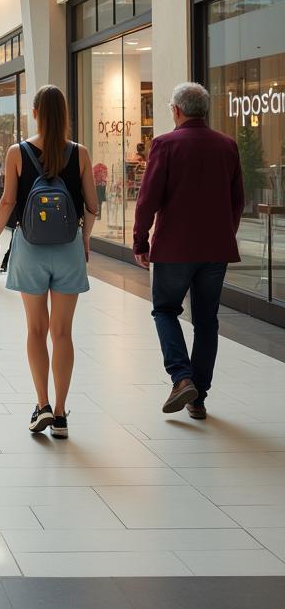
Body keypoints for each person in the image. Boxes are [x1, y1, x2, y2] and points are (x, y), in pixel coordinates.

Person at [0, 85, 99, 439]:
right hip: (68, 249)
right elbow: (92, 206)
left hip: (30, 246)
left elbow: (7, 203)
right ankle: (63, 415)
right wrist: (84, 239)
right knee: (63, 332)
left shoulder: (17, 152)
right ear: (65, 115)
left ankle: (42, 405)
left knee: (36, 329)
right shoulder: (79, 153)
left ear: (34, 112)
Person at [132, 82, 244, 420]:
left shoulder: (165, 144)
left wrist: (141, 240)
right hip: (216, 249)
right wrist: (226, 234)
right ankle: (199, 398)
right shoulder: (227, 145)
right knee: (207, 321)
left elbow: (147, 199)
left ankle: (181, 378)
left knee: (165, 311)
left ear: (177, 111)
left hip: (174, 249)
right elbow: (237, 200)